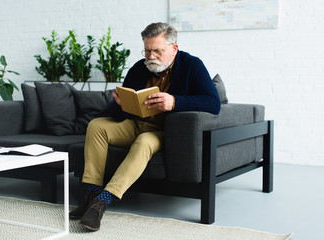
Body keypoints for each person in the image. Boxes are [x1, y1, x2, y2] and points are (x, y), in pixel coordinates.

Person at [69, 22, 221, 231]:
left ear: (173, 48)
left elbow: (214, 103)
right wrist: (119, 104)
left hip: (162, 131)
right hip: (135, 124)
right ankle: (90, 193)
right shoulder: (139, 68)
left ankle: (101, 202)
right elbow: (117, 113)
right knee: (97, 125)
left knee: (144, 142)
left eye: (157, 51)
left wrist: (175, 102)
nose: (151, 57)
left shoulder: (192, 65)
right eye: (147, 50)